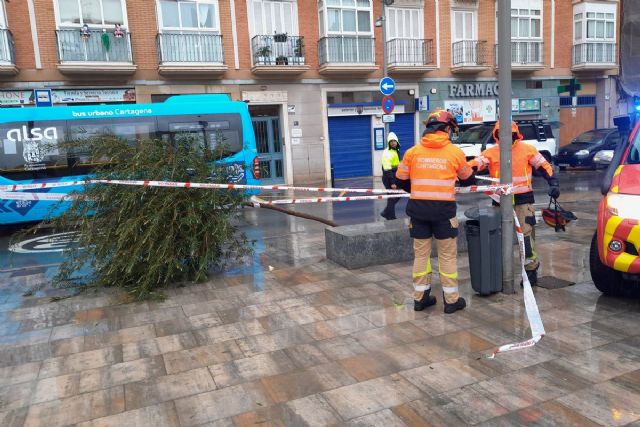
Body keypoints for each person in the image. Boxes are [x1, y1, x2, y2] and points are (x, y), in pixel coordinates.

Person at [395, 110, 476, 313]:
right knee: (447, 257)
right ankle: (451, 301)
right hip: (443, 214)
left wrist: (418, 190)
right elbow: (468, 180)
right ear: (447, 128)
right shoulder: (454, 152)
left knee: (420, 256)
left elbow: (400, 180)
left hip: (418, 212)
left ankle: (420, 299)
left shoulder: (413, 152)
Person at [468, 121, 560, 286]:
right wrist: (464, 174)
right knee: (498, 237)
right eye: (502, 135)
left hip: (523, 200)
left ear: (515, 135)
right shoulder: (491, 152)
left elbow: (544, 166)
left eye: (509, 135)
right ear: (496, 135)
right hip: (500, 201)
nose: (506, 138)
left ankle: (530, 271)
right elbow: (474, 165)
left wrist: (553, 183)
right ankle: (501, 272)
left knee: (525, 238)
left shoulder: (527, 150)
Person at [380, 131, 401, 220]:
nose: (393, 142)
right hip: (388, 178)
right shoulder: (387, 152)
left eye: (394, 141)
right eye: (391, 141)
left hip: (394, 177)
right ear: (389, 142)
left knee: (398, 195)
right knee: (392, 197)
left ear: (397, 141)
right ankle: (391, 216)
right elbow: (387, 169)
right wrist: (392, 182)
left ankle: (386, 212)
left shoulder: (396, 151)